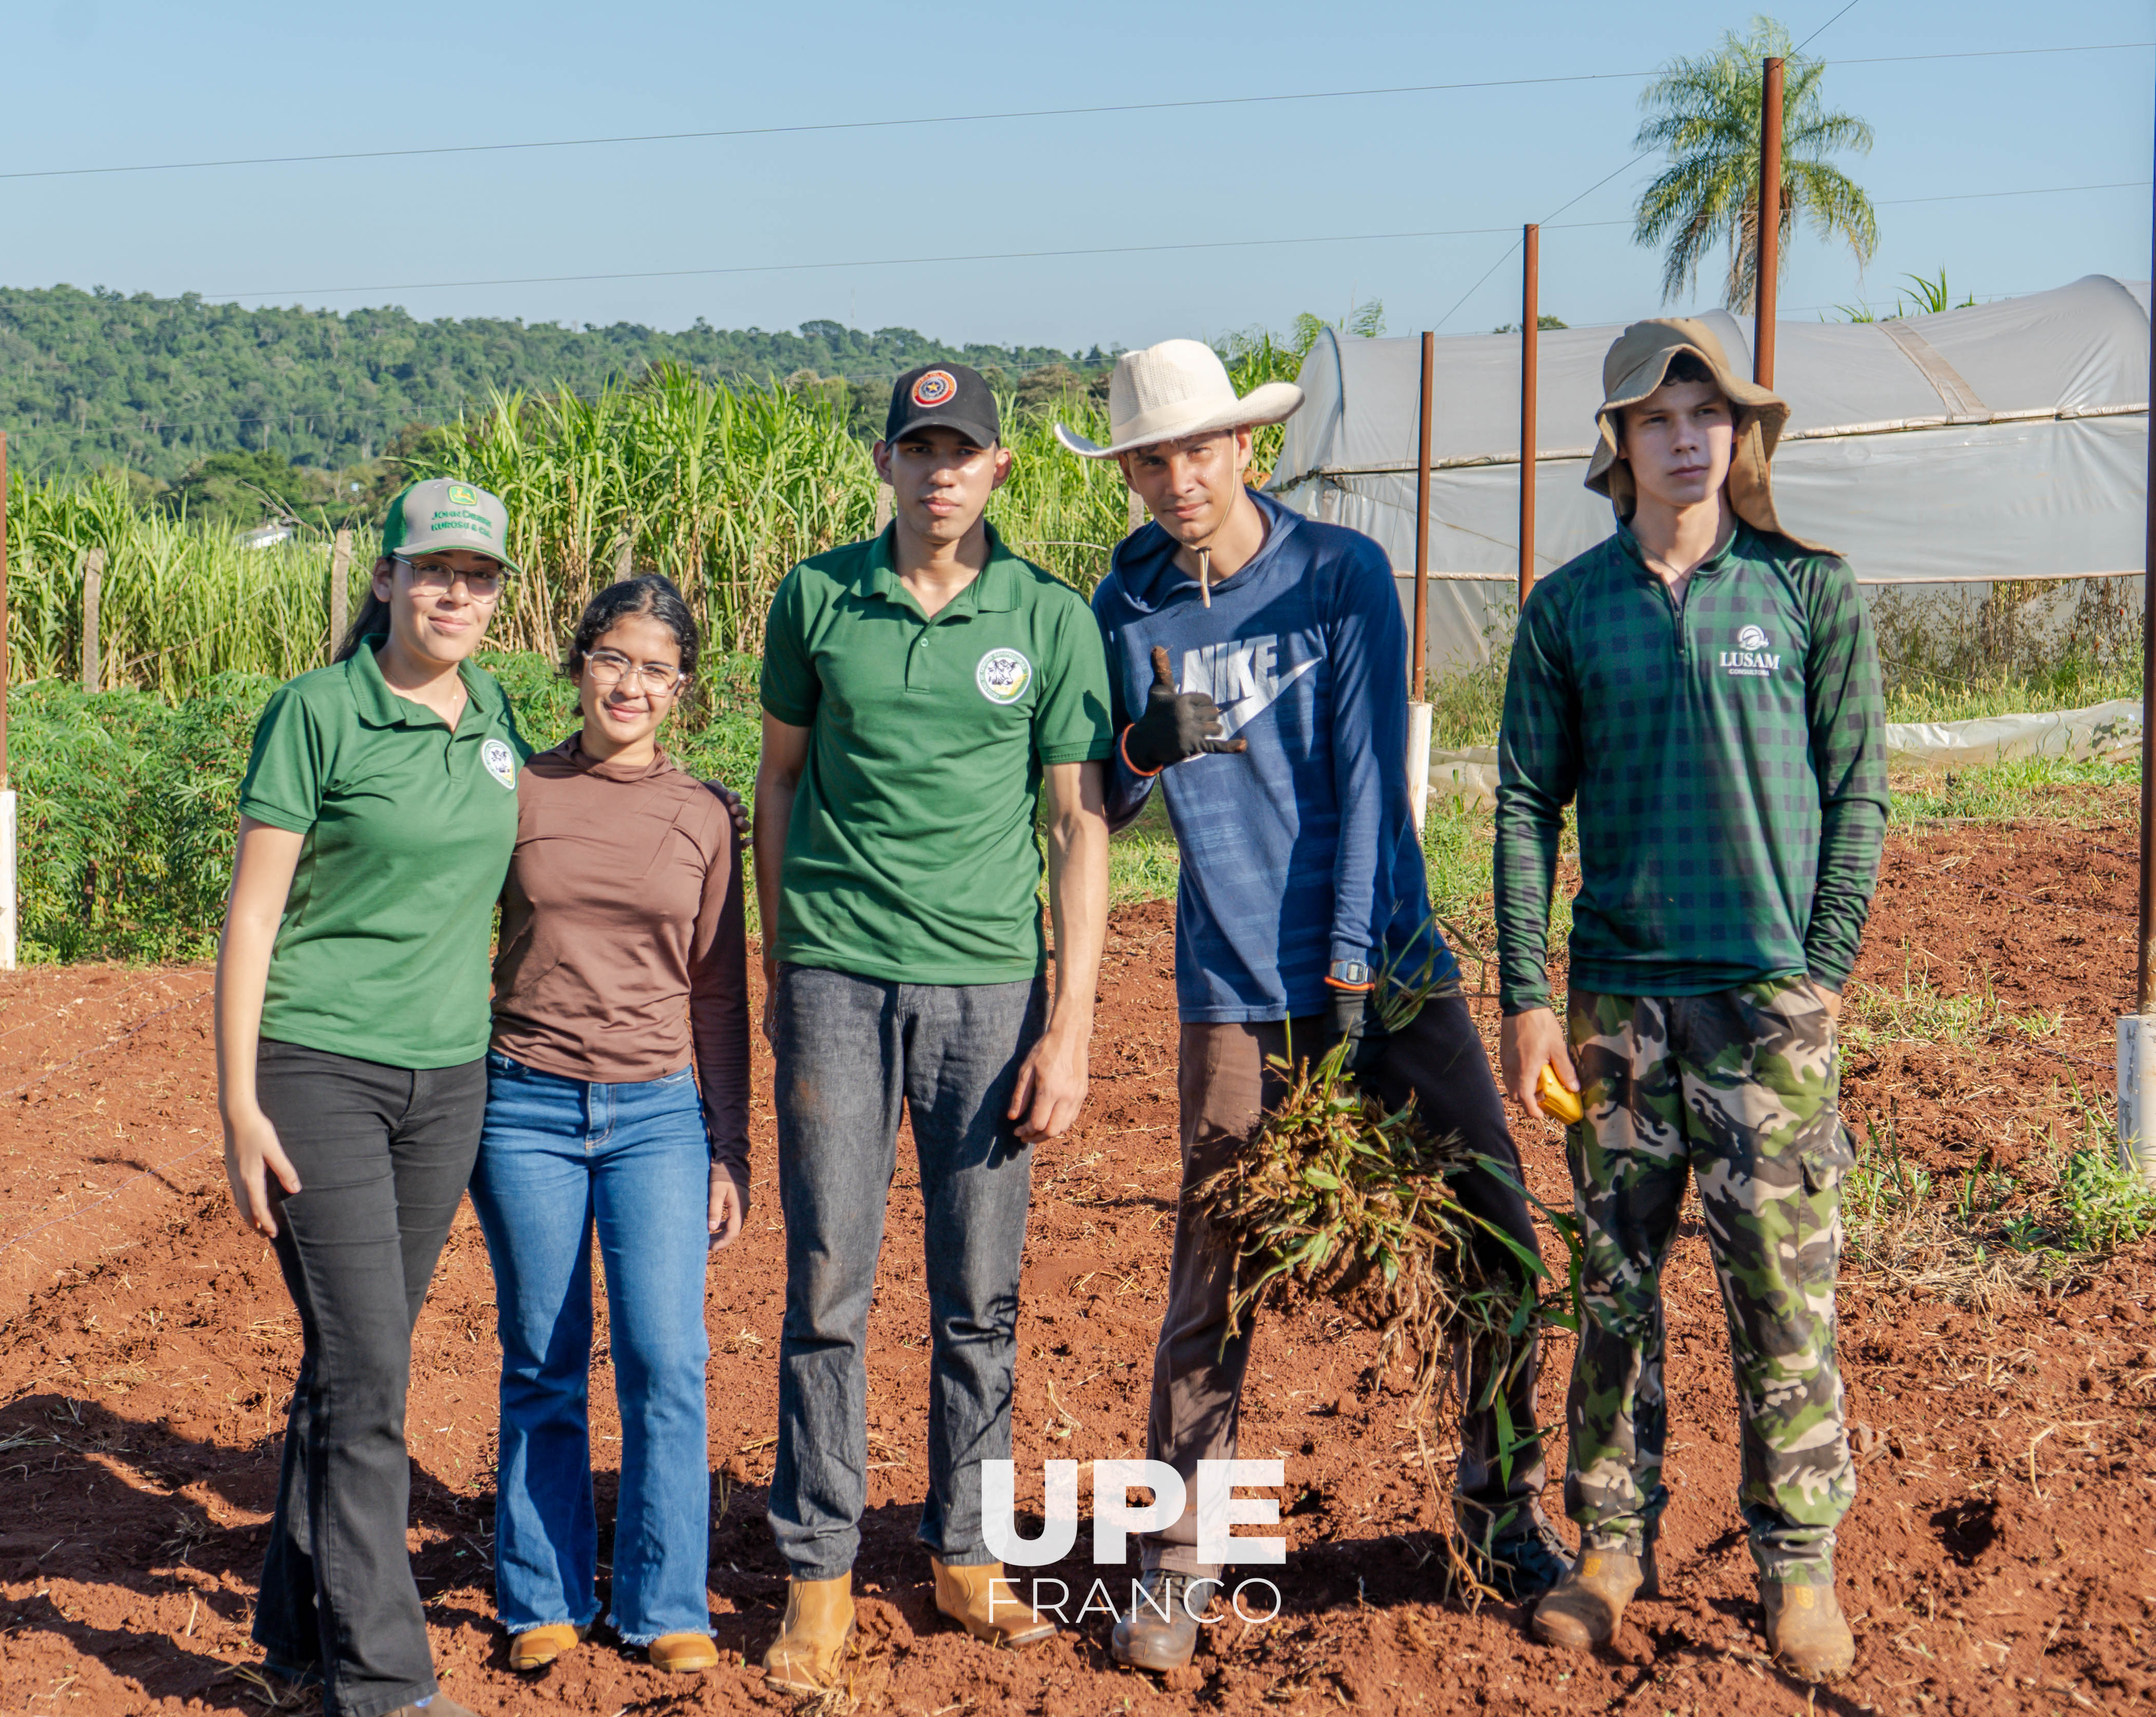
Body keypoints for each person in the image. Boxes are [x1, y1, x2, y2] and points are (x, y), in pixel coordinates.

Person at [1059, 338, 1567, 1675]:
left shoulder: (1339, 574)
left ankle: (1500, 1512)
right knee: (1211, 1282)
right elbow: (1101, 800)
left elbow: (1362, 784)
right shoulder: (1121, 606)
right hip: (1227, 990)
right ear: (1130, 472)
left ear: (1246, 450)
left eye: (1197, 449)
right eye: (1150, 458)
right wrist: (1133, 746)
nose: (1177, 477)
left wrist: (1348, 980)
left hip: (1387, 967)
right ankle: (1172, 1564)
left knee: (1496, 1235)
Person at [1492, 318, 1887, 1681]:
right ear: (1616, 444)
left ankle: (1796, 1567)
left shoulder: (1803, 591)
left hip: (1761, 1005)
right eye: (1654, 417)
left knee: (1782, 1295)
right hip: (1615, 1007)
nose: (1682, 436)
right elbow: (1524, 805)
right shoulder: (1569, 609)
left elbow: (1858, 791)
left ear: (1738, 433)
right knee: (1611, 1288)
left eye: (1705, 414)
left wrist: (1821, 965)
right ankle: (1608, 1546)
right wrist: (1528, 994)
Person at [751, 362, 1114, 1691]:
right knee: (826, 1285)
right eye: (918, 448)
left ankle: (966, 1546)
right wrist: (788, 967)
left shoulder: (1048, 617)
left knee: (979, 1293)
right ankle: (819, 1569)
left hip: (989, 991)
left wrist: (1068, 1023)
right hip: (839, 981)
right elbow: (777, 785)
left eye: (962, 451)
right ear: (886, 465)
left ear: (998, 471)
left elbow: (1078, 824)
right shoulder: (816, 598)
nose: (939, 470)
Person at [214, 477, 532, 1717]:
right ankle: (388, 1680)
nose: (456, 592)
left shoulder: (494, 715)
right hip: (318, 1071)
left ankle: (294, 1633)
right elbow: (251, 913)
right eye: (435, 569)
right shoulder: (316, 712)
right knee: (371, 1379)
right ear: (388, 578)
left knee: (352, 1363)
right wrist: (237, 1104)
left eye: (480, 575)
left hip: (447, 1082)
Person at [472, 575, 751, 1679]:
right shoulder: (516, 790)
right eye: (613, 659)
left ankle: (662, 1598)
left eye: (656, 668)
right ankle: (540, 1593)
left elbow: (721, 991)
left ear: (682, 688)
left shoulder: (703, 813)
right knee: (541, 1359)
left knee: (663, 1358)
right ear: (577, 663)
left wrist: (729, 1144)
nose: (631, 685)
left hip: (654, 1116)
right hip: (524, 1103)